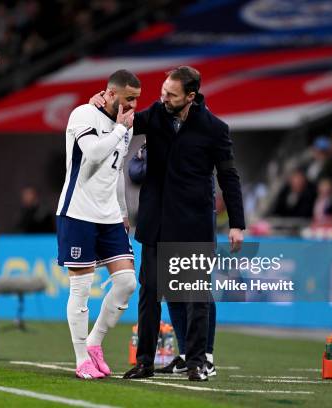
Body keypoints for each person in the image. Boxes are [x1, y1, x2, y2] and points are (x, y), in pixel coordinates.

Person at [91, 66, 245, 381]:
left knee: (195, 297)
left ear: (191, 96)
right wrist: (102, 105)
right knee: (149, 295)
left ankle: (198, 362)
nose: (163, 98)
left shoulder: (215, 129)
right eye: (162, 91)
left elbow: (229, 177)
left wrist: (237, 223)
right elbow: (121, 121)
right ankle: (145, 362)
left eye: (171, 94)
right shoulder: (156, 115)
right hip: (156, 223)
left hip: (193, 225)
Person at [56, 69, 141, 379]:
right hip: (77, 212)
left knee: (127, 283)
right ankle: (81, 360)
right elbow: (92, 154)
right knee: (80, 288)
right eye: (129, 98)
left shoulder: (125, 126)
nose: (133, 104)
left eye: (137, 99)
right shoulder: (83, 114)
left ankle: (94, 343)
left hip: (109, 217)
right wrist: (119, 129)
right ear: (111, 93)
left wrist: (123, 211)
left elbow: (115, 172)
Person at [128, 145, 218, 377]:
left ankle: (206, 358)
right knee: (172, 287)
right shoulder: (158, 131)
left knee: (196, 288)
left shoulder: (203, 132)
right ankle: (188, 354)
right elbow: (135, 171)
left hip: (195, 218)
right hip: (164, 219)